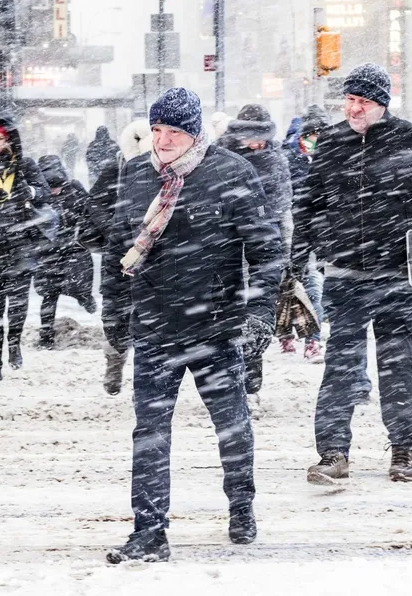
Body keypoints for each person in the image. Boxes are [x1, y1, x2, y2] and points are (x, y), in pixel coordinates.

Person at [102, 88, 282, 563]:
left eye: (174, 132)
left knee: (231, 426)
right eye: (157, 129)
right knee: (150, 433)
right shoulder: (136, 174)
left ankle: (241, 505)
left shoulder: (231, 173)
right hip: (155, 325)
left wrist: (259, 312)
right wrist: (115, 316)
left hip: (215, 326)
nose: (162, 140)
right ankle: (149, 532)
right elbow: (117, 251)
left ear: (195, 134)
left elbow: (266, 251)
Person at [293, 63, 412, 483]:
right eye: (349, 100)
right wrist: (301, 255)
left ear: (382, 104)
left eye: (363, 101)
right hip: (345, 273)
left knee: (397, 360)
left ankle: (403, 448)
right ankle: (333, 452)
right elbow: (309, 204)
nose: (354, 108)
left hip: (398, 273)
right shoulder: (330, 143)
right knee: (342, 364)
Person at [0, 115, 52, 382]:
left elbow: (45, 192)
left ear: (8, 140)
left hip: (20, 243)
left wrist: (30, 192)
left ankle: (14, 343)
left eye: (0, 139)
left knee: (17, 305)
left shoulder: (23, 164)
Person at [218, 104, 295, 387]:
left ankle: (250, 378)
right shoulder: (219, 157)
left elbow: (280, 210)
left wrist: (283, 254)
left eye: (263, 136)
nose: (258, 142)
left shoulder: (275, 160)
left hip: (258, 248)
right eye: (253, 135)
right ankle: (227, 379)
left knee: (254, 314)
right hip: (224, 247)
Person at [87, 118, 154, 395]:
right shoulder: (116, 167)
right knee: (116, 314)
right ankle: (115, 363)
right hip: (121, 252)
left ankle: (147, 376)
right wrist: (116, 226)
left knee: (150, 315)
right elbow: (94, 203)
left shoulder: (165, 171)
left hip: (153, 252)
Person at [283, 105, 332, 363]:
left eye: (319, 135)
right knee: (299, 282)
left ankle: (312, 339)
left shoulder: (336, 158)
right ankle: (290, 335)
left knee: (315, 284)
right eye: (310, 135)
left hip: (323, 233)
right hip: (296, 231)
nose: (313, 141)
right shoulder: (290, 159)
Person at [36, 154, 97, 348]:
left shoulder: (73, 188)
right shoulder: (38, 192)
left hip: (68, 247)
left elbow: (90, 211)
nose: (54, 192)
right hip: (52, 250)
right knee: (50, 294)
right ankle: (46, 337)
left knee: (65, 287)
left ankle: (84, 298)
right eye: (51, 189)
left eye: (58, 188)